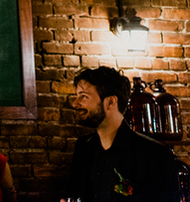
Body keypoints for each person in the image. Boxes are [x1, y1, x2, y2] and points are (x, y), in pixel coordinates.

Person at [61, 66, 180, 202]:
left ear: (110, 102)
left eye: (83, 96)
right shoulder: (83, 148)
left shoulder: (155, 155)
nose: (75, 103)